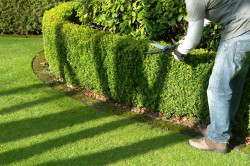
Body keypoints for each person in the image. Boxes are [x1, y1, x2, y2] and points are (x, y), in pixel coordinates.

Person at [172, 0, 250, 153]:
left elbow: (195, 36)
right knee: (235, 81)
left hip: (240, 31)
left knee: (217, 87)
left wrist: (181, 51)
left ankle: (218, 138)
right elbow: (207, 15)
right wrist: (186, 38)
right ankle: (222, 127)